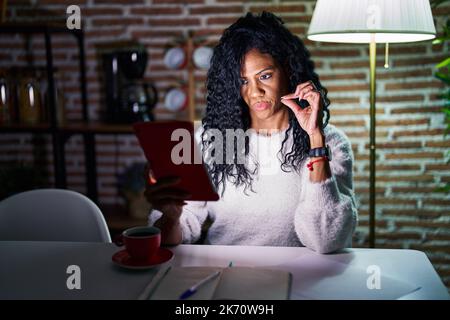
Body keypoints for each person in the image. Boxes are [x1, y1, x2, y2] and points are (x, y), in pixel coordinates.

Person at [145, 11, 357, 254]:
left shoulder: (329, 141)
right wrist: (172, 215)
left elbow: (327, 239)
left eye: (265, 76)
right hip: (226, 271)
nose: (255, 91)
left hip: (299, 276)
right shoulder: (210, 140)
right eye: (243, 81)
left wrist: (315, 139)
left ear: (287, 70)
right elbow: (180, 232)